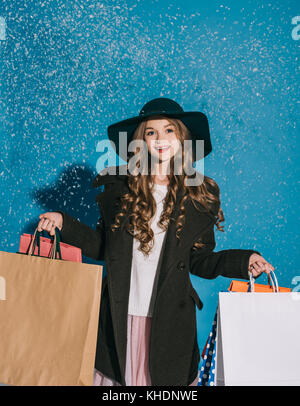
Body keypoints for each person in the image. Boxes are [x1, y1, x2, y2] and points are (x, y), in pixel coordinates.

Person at [37, 97, 274, 386]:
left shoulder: (198, 195)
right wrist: (65, 223)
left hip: (169, 322)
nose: (160, 139)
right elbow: (104, 248)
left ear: (182, 138)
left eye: (169, 130)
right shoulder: (120, 189)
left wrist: (244, 260)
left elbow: (200, 260)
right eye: (151, 132)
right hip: (121, 317)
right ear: (141, 142)